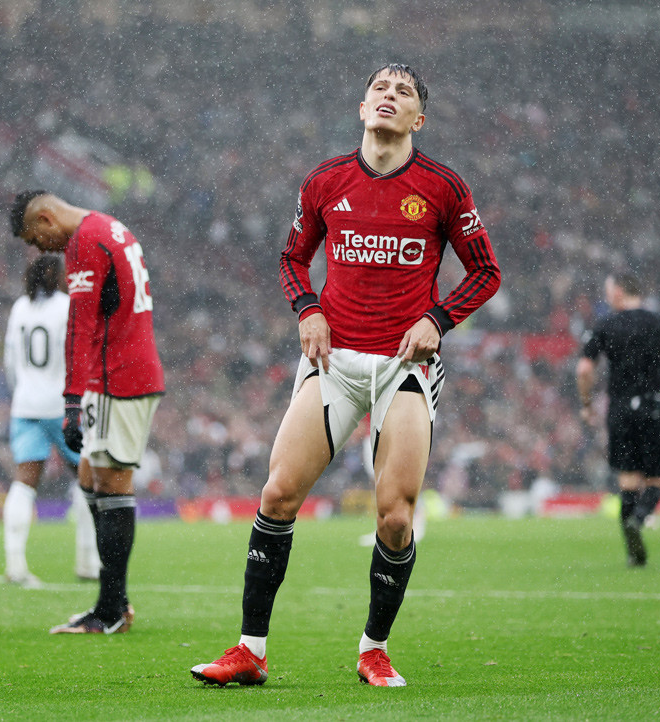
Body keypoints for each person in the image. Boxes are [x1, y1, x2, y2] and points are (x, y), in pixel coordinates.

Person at [191, 63, 501, 688]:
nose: (390, 97)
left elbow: (485, 271)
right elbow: (290, 259)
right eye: (380, 90)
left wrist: (438, 320)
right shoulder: (326, 181)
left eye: (404, 92)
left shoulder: (443, 187)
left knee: (394, 518)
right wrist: (307, 309)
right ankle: (250, 650)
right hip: (333, 363)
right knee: (277, 495)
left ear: (419, 119)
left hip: (403, 367)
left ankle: (373, 649)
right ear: (363, 108)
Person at [9, 190, 165, 633]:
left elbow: (82, 324)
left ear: (45, 217)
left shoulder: (85, 241)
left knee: (112, 481)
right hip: (119, 372)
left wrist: (72, 400)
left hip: (121, 376)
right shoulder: (109, 226)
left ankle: (112, 610)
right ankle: (114, 601)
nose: (41, 249)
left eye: (35, 238)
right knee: (89, 478)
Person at [576, 272, 660, 567]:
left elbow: (584, 371)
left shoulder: (606, 325)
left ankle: (632, 554)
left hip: (621, 409)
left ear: (619, 292)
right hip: (654, 406)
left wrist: (587, 404)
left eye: (608, 290)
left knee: (628, 482)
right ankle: (639, 520)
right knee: (656, 479)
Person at [2, 255, 100, 588]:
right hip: (63, 405)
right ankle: (87, 561)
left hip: (26, 404)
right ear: (58, 277)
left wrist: (23, 392)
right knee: (86, 479)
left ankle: (15, 565)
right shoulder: (67, 306)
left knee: (24, 481)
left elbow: (10, 360)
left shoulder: (19, 308)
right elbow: (78, 353)